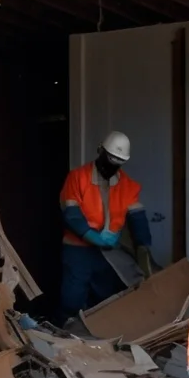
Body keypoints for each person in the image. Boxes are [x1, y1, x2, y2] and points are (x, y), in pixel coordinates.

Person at [58, 130, 154, 321]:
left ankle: (99, 342)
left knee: (105, 299)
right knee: (72, 299)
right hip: (78, 248)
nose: (112, 165)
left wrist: (143, 247)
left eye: (118, 161)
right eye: (110, 158)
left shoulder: (128, 186)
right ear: (100, 150)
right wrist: (92, 236)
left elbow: (138, 219)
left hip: (108, 252)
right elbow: (72, 214)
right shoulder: (78, 178)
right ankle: (64, 337)